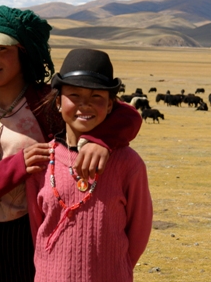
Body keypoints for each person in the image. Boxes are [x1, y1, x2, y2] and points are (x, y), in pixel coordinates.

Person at [0, 5, 142, 282]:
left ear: (23, 52)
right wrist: (15, 167)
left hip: (39, 232)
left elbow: (126, 114)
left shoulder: (49, 102)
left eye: (2, 50)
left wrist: (99, 140)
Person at [32, 48, 153, 282]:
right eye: (74, 95)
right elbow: (37, 228)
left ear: (110, 106)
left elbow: (138, 231)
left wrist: (116, 267)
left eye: (96, 97)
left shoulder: (128, 164)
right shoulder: (43, 160)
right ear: (58, 101)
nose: (84, 105)